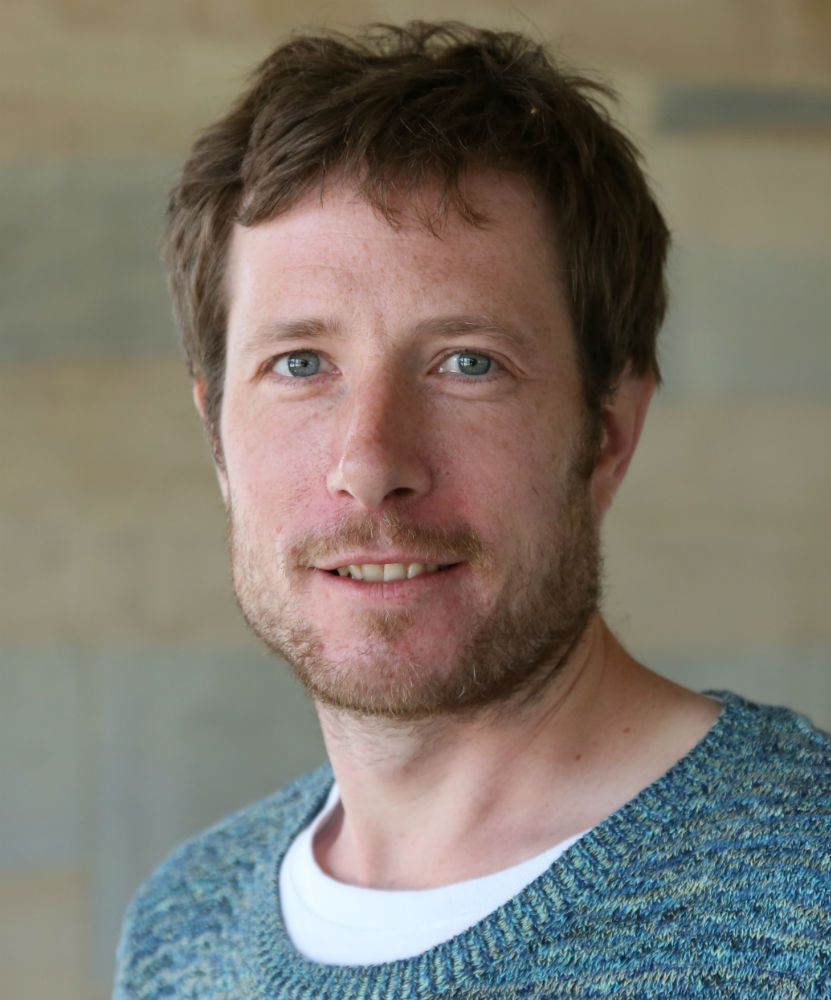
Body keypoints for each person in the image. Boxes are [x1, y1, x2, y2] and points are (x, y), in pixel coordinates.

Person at [114, 21, 831, 999]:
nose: (370, 464)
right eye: (300, 364)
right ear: (217, 438)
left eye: (466, 362)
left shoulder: (807, 892)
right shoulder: (181, 928)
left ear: (609, 428)